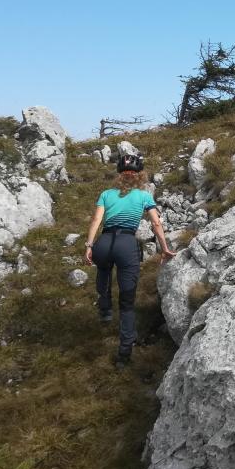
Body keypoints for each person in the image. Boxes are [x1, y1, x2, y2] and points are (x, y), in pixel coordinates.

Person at [83, 152, 175, 367]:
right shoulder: (144, 196)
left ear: (119, 175)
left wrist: (89, 246)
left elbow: (96, 219)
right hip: (126, 244)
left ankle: (105, 309)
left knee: (103, 269)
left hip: (104, 241)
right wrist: (164, 248)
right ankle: (124, 354)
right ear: (140, 176)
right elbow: (156, 223)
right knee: (126, 302)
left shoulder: (106, 194)